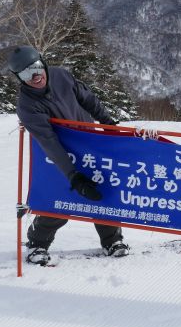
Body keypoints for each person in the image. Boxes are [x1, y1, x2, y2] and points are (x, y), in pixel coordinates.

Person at [7, 45, 130, 265]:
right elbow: (49, 142)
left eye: (36, 67)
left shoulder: (60, 75)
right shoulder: (27, 106)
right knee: (63, 197)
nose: (35, 76)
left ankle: (112, 240)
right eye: (26, 73)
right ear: (18, 77)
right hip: (60, 153)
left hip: (89, 143)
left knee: (103, 191)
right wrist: (73, 175)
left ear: (43, 63)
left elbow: (88, 99)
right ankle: (37, 243)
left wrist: (108, 123)